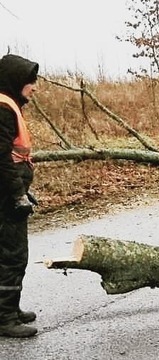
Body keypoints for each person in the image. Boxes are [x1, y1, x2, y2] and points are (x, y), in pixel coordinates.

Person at [0, 54, 40, 338]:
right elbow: (1, 159)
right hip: (5, 196)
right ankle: (4, 317)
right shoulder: (3, 107)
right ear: (17, 80)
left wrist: (25, 190)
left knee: (10, 253)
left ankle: (10, 310)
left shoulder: (8, 104)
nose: (35, 87)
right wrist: (17, 195)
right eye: (31, 81)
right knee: (12, 255)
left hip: (9, 190)